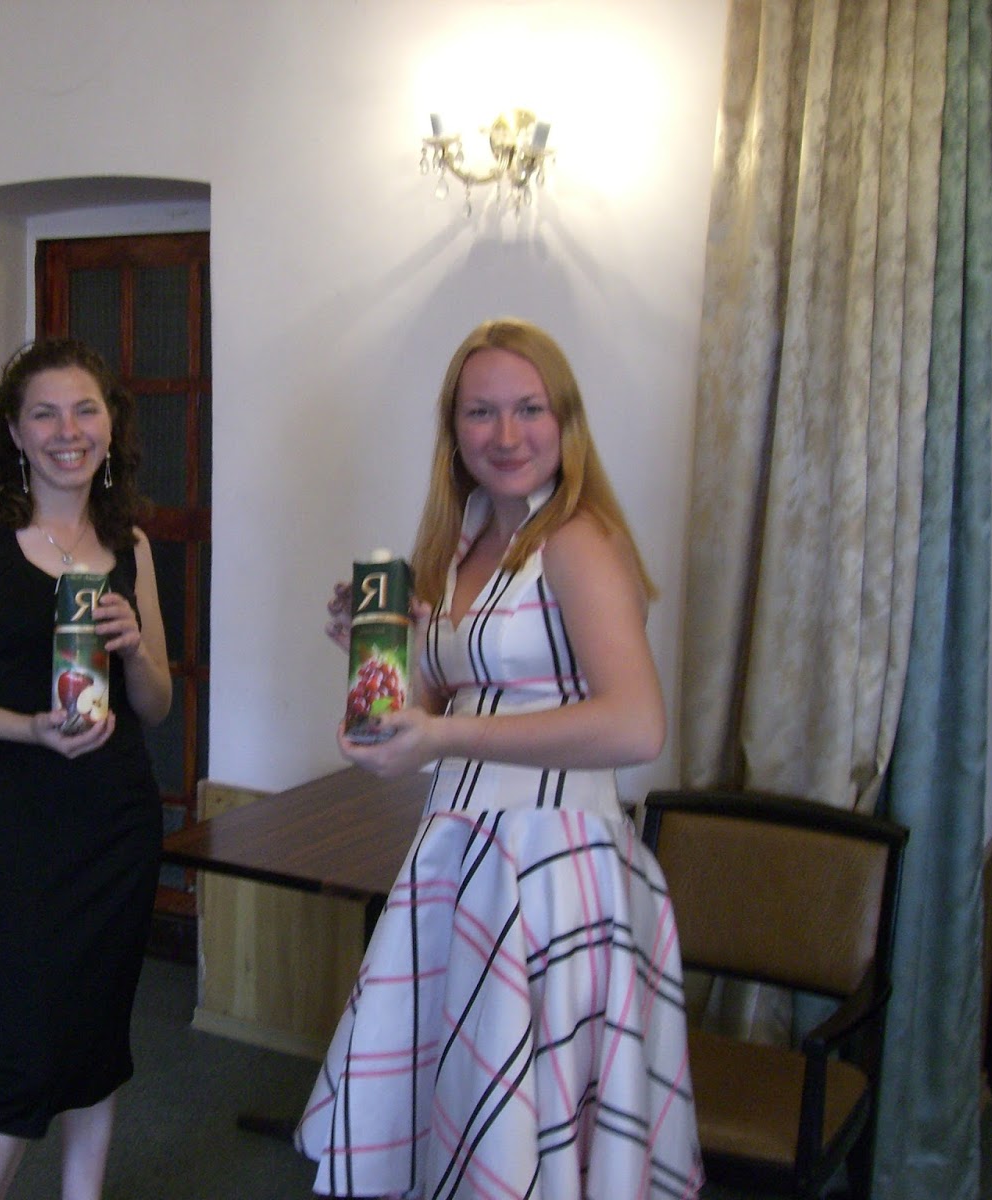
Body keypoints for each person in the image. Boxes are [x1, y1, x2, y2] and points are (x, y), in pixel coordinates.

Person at [296, 318, 703, 1199]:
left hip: (553, 866)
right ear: (454, 428)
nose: (507, 434)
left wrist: (443, 737)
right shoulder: (468, 535)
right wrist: (378, 659)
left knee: (528, 1127)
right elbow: (442, 706)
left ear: (566, 421)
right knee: (470, 1105)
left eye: (530, 408)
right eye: (481, 412)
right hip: (462, 853)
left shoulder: (577, 539)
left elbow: (637, 726)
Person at [0, 337, 172, 1200]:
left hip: (118, 822)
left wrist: (134, 651)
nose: (69, 431)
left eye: (85, 410)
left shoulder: (130, 545)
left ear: (110, 427)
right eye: (45, 414)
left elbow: (157, 705)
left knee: (98, 1040)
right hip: (20, 826)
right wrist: (28, 728)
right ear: (16, 434)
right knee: (25, 1056)